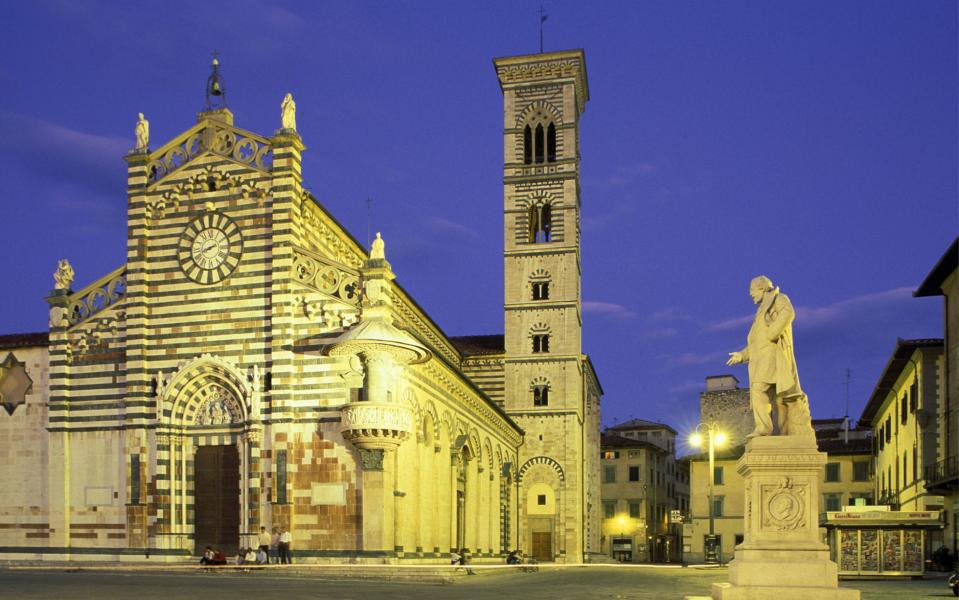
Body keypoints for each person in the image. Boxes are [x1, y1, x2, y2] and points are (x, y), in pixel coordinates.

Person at [726, 275, 814, 437]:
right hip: (761, 356)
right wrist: (742, 355)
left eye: (752, 291)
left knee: (759, 388)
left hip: (772, 354)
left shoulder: (779, 299)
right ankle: (783, 431)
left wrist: (772, 332)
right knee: (777, 399)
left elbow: (788, 314)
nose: (751, 295)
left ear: (762, 288)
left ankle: (764, 428)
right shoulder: (761, 310)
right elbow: (756, 342)